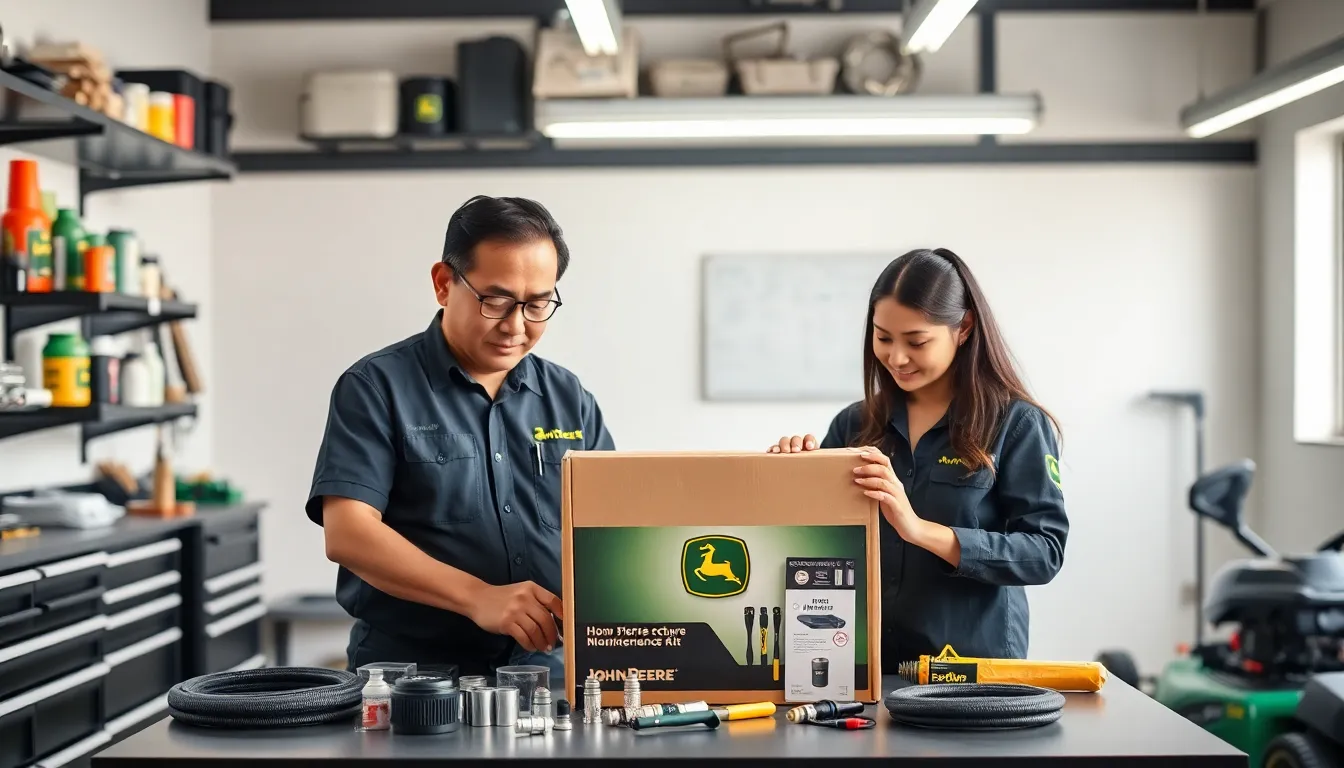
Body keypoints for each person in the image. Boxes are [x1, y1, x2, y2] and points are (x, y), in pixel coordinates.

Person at [306, 195, 615, 679]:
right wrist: (478, 597)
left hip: (550, 670)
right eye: (496, 301)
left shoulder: (567, 396)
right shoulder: (376, 387)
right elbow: (348, 533)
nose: (516, 326)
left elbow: (616, 525)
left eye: (537, 305)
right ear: (444, 284)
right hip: (412, 676)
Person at [770, 247, 1067, 670]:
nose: (896, 357)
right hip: (865, 665)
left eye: (917, 341)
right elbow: (820, 547)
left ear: (964, 328)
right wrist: (792, 478)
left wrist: (920, 530)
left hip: (970, 672)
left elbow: (1044, 553)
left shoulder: (1016, 424)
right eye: (883, 338)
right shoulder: (854, 424)